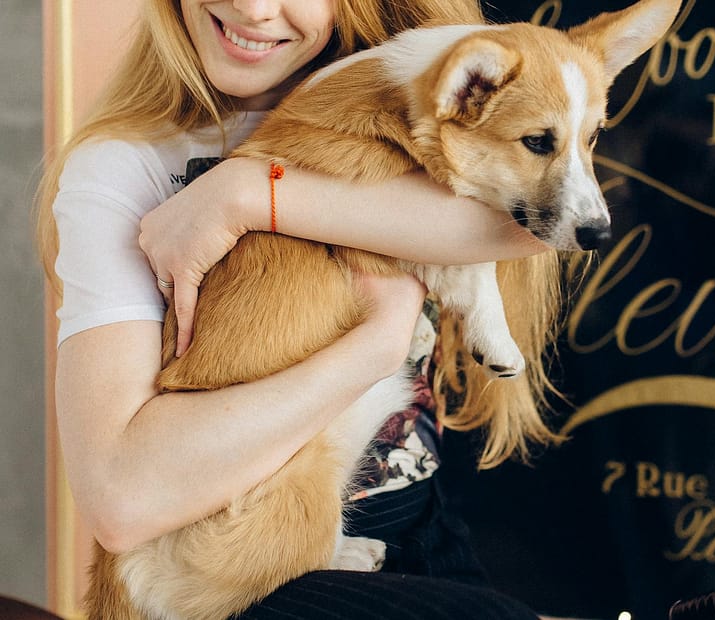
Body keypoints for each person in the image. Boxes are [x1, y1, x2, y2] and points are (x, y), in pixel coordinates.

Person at [36, 1, 565, 618]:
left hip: (418, 530)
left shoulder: (411, 107)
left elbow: (541, 222)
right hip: (241, 553)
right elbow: (121, 501)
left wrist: (244, 195)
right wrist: (375, 346)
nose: (254, 9)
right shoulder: (126, 165)